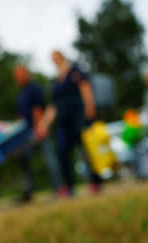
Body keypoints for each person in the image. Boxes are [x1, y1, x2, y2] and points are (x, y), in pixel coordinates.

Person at [37, 50, 101, 196]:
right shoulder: (55, 80)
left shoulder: (75, 70)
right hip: (62, 120)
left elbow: (85, 88)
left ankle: (94, 181)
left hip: (78, 116)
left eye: (56, 57)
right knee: (62, 150)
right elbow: (53, 104)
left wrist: (90, 107)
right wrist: (44, 123)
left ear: (62, 57)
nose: (55, 60)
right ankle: (69, 186)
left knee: (85, 149)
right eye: (52, 59)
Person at [13, 65, 63, 202]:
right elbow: (21, 113)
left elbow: (38, 109)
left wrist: (40, 127)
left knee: (49, 160)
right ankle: (28, 192)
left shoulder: (33, 89)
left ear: (26, 75)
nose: (17, 79)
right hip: (25, 133)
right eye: (16, 76)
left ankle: (58, 189)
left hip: (37, 129)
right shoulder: (21, 93)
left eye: (19, 75)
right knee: (24, 160)